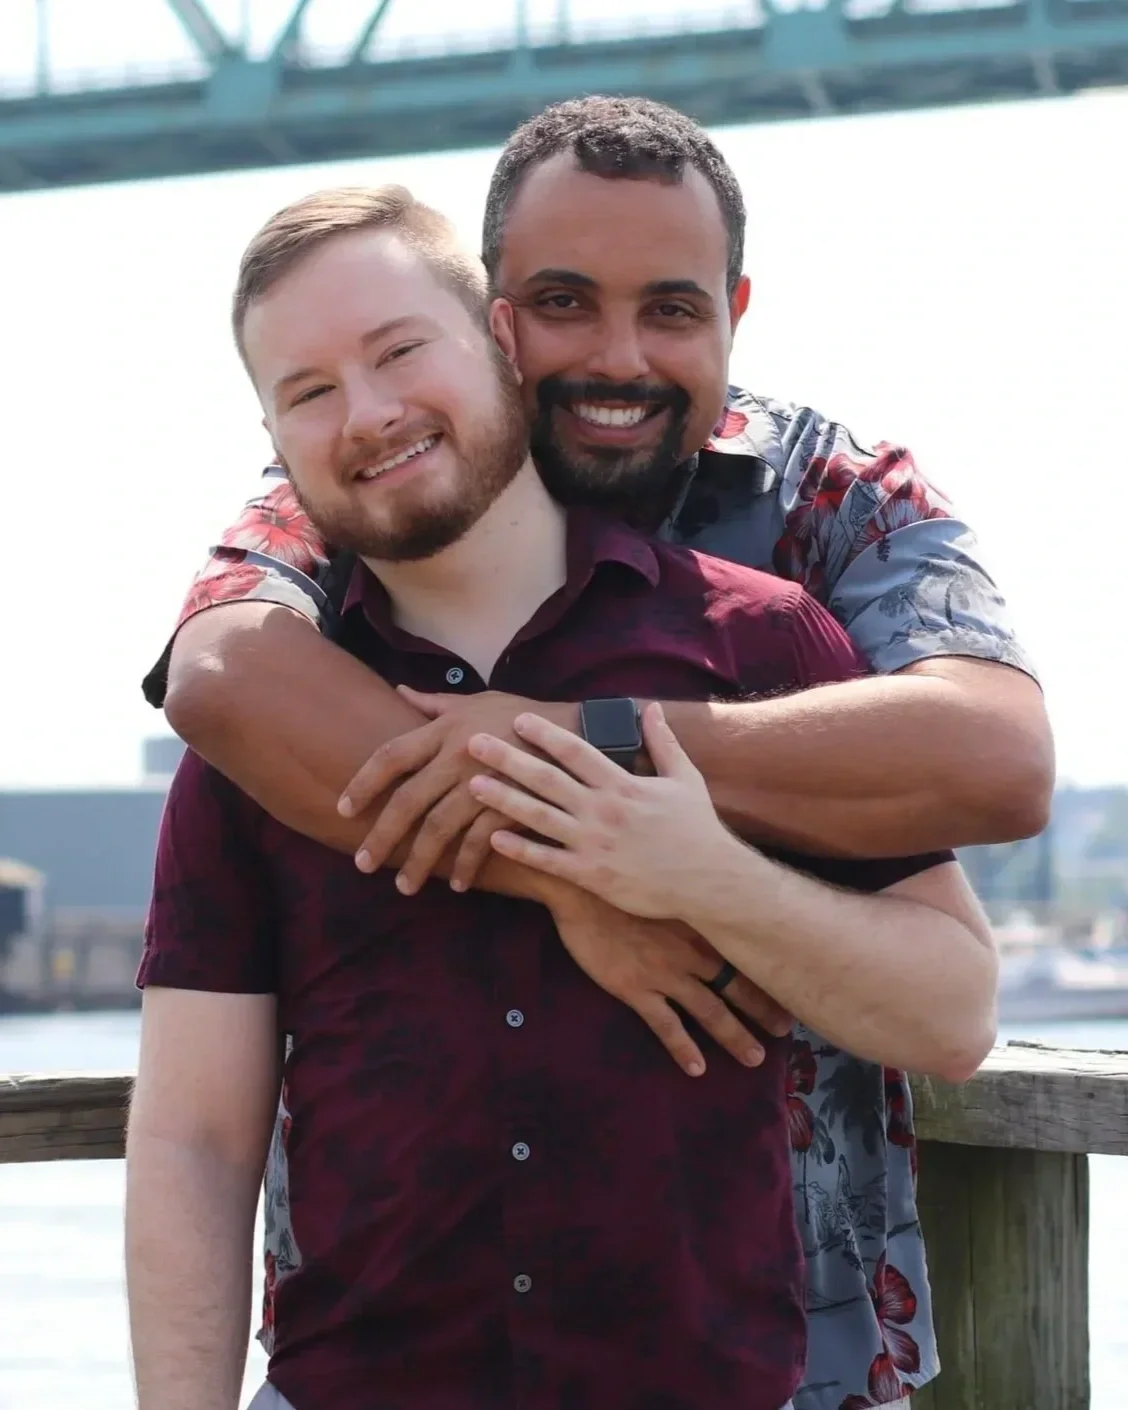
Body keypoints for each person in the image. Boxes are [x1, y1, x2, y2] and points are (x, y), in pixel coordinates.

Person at [140, 98, 1044, 1409]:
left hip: (791, 1356)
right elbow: (217, 672)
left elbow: (996, 778)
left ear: (734, 310)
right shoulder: (328, 549)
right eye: (566, 302)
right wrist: (575, 867)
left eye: (669, 310)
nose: (616, 355)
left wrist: (612, 772)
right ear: (502, 320)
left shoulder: (818, 530)